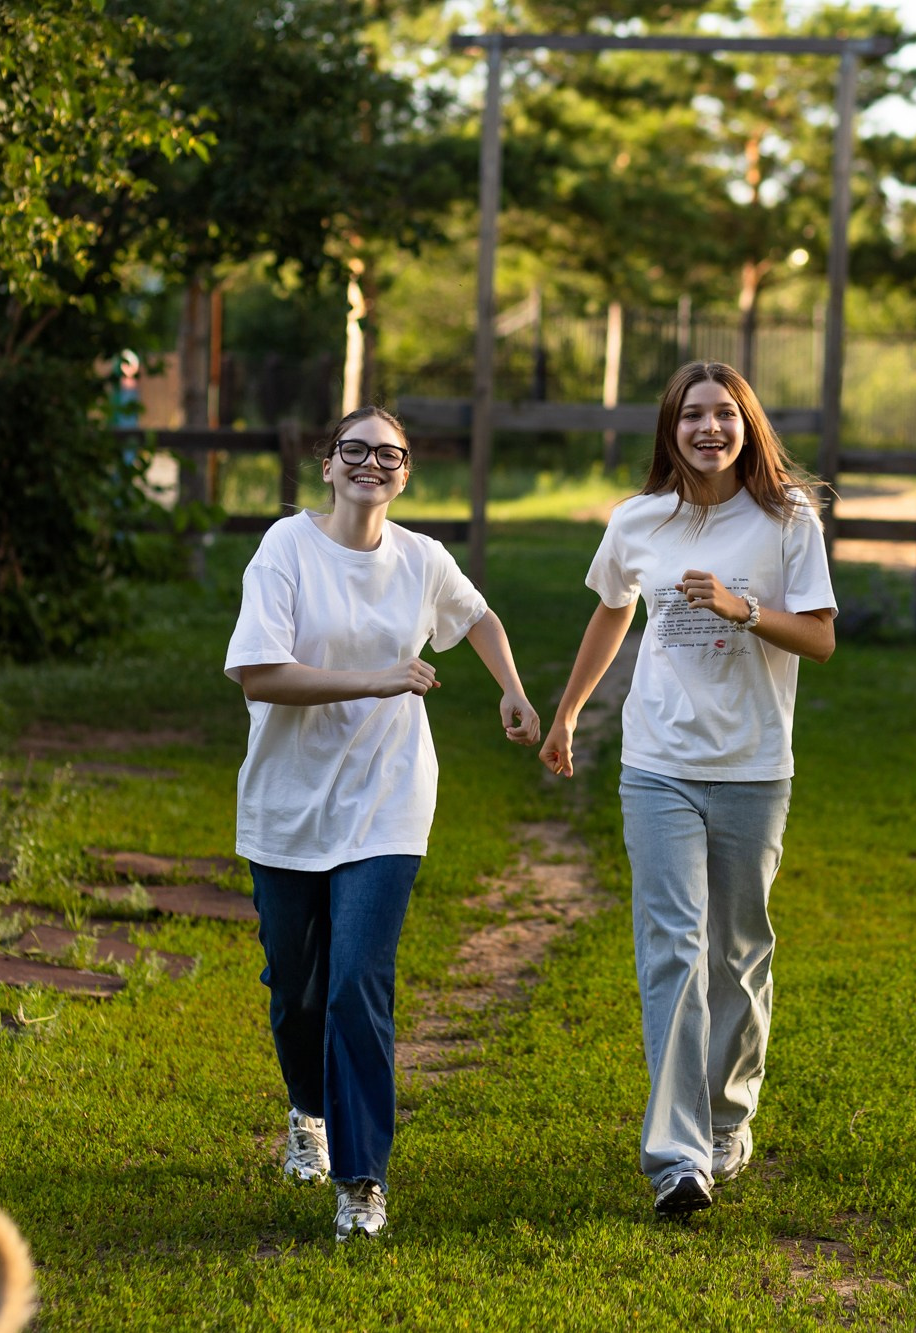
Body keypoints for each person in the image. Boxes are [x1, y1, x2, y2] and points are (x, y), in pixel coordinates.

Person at [223, 406, 542, 1241]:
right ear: (327, 464)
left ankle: (362, 1179)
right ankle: (307, 1111)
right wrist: (375, 679)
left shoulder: (423, 559)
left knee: (358, 979)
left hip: (388, 798)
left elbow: (478, 616)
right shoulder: (285, 549)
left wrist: (510, 685)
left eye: (388, 454)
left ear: (405, 475)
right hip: (288, 800)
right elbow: (259, 675)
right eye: (354, 449)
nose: (370, 463)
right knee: (296, 988)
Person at [540, 361, 837, 1219]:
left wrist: (743, 609)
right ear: (670, 429)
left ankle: (725, 1116)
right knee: (672, 947)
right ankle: (676, 1154)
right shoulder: (638, 521)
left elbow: (818, 639)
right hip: (657, 763)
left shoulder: (787, 520)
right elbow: (611, 611)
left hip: (753, 765)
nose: (709, 429)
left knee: (739, 950)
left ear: (748, 425)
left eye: (725, 414)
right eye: (692, 416)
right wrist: (567, 714)